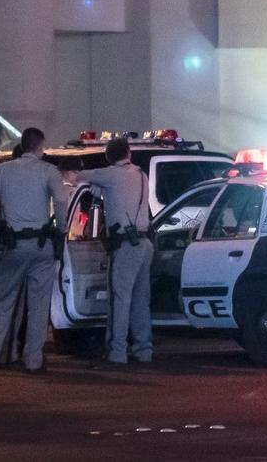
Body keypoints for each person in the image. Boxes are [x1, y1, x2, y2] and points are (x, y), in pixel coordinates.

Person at [0, 127, 69, 375]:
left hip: (12, 245)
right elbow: (60, 200)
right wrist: (62, 227)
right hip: (41, 246)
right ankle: (33, 360)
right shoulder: (48, 171)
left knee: (1, 303)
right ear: (40, 147)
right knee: (38, 305)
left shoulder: (2, 170)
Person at [79, 135, 153, 365]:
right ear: (128, 153)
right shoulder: (141, 175)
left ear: (109, 157)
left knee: (119, 299)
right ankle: (143, 350)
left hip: (124, 246)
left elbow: (81, 176)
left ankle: (117, 352)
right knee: (141, 300)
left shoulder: (110, 174)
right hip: (144, 244)